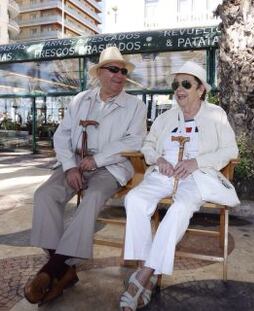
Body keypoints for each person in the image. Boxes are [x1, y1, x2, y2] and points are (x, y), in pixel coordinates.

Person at [24, 46, 147, 305]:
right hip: (76, 164)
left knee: (91, 199)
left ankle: (53, 270)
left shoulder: (135, 106)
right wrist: (69, 167)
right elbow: (62, 135)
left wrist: (98, 159)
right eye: (113, 69)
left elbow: (135, 141)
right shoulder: (80, 99)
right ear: (100, 73)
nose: (119, 75)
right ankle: (65, 270)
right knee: (45, 194)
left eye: (123, 71)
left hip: (111, 167)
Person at [119, 61, 239, 310]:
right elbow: (149, 145)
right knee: (134, 199)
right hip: (164, 172)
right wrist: (158, 159)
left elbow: (230, 149)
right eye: (176, 85)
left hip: (197, 175)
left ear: (200, 90)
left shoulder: (216, 114)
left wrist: (197, 162)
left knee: (180, 208)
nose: (179, 89)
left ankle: (143, 277)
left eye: (186, 84)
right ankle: (148, 276)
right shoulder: (165, 117)